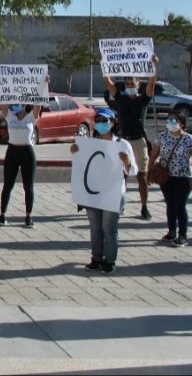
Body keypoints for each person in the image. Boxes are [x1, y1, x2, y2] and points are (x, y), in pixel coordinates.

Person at [70, 108, 137, 274]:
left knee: (109, 227)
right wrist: (75, 152)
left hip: (113, 193)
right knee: (95, 226)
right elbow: (80, 166)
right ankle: (96, 258)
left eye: (104, 121)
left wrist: (127, 162)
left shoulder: (122, 144)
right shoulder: (89, 143)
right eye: (98, 120)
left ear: (113, 123)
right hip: (92, 192)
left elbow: (133, 171)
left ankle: (109, 260)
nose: (100, 124)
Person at [103, 54, 158, 220]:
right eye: (126, 84)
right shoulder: (121, 99)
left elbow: (151, 87)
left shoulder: (143, 100)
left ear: (137, 84)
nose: (129, 86)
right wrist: (103, 65)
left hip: (139, 140)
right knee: (122, 175)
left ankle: (144, 207)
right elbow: (109, 83)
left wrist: (153, 68)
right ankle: (120, 204)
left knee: (142, 175)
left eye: (132, 83)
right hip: (123, 140)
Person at [148, 109, 192, 247]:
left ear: (182, 124)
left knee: (180, 205)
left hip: (183, 177)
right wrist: (150, 171)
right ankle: (172, 231)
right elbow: (154, 154)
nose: (170, 123)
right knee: (170, 204)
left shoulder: (189, 139)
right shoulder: (162, 136)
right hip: (165, 176)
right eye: (169, 120)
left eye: (174, 120)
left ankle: (183, 235)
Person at [0, 103, 42, 228]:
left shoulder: (31, 116)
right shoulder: (10, 116)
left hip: (27, 152)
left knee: (28, 186)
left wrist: (43, 85)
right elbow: (2, 102)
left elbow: (39, 103)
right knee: (7, 185)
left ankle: (28, 216)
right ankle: (2, 215)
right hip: (12, 151)